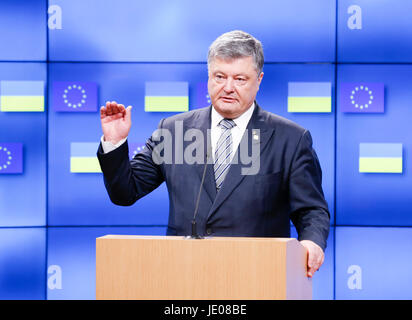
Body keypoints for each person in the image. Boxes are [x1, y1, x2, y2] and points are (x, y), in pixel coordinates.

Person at [97, 30, 330, 278]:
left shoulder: (291, 139)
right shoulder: (174, 130)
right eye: (220, 77)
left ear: (259, 80)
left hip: (258, 275)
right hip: (184, 275)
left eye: (240, 79)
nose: (228, 88)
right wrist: (115, 141)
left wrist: (312, 242)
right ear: (208, 77)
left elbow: (311, 210)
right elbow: (124, 193)